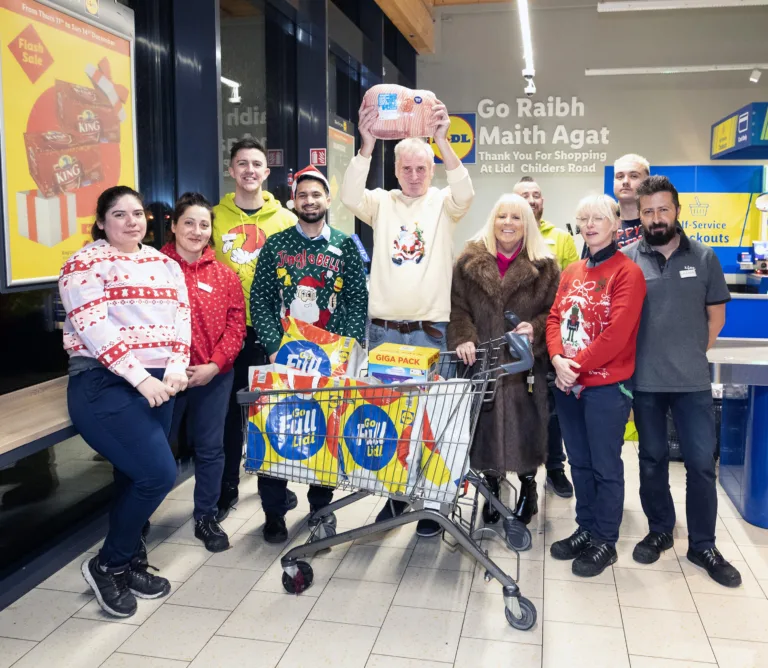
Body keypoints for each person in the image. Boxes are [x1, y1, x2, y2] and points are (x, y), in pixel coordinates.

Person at [341, 99, 474, 537]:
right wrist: (366, 147)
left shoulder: (442, 204)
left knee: (431, 421)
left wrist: (441, 141)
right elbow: (348, 196)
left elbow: (465, 193)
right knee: (394, 420)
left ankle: (430, 504)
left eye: (422, 168)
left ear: (430, 170)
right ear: (396, 171)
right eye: (407, 169)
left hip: (431, 333)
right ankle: (397, 500)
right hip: (384, 333)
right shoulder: (382, 202)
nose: (415, 176)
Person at [60, 186, 191, 617]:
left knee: (132, 477)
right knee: (157, 474)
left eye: (137, 213)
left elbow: (181, 319)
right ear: (101, 222)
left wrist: (175, 367)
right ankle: (108, 563)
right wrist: (139, 378)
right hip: (104, 382)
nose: (132, 221)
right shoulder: (84, 263)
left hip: (159, 382)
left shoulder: (165, 263)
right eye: (119, 214)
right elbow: (96, 329)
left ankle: (130, 559)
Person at [623, 176, 741, 587]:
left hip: (691, 383)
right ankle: (659, 530)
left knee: (700, 465)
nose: (656, 218)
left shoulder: (705, 257)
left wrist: (691, 353)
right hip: (645, 383)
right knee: (651, 459)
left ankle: (703, 544)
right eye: (648, 211)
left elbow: (717, 318)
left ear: (676, 210)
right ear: (639, 214)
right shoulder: (627, 259)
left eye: (663, 209)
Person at [251, 166, 368, 543]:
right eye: (302, 195)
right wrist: (274, 349)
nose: (309, 201)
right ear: (293, 200)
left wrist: (342, 350)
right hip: (285, 360)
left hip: (329, 362)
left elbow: (356, 300)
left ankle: (321, 509)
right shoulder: (277, 244)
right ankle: (273, 513)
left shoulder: (347, 245)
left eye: (316, 195)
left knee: (324, 432)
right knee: (275, 431)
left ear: (327, 200)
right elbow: (261, 300)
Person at [546, 194, 646, 577]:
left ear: (616, 224)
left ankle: (606, 539)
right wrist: (557, 360)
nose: (590, 225)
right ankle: (585, 528)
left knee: (605, 466)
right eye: (583, 218)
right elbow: (555, 318)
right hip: (567, 384)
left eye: (599, 218)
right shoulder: (571, 270)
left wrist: (575, 366)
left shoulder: (627, 273)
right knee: (580, 462)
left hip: (606, 387)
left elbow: (617, 334)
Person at [449, 193, 560, 528]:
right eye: (502, 216)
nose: (508, 223)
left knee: (528, 427)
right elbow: (457, 309)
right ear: (492, 220)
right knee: (483, 429)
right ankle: (492, 484)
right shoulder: (468, 262)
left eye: (516, 217)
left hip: (523, 365)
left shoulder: (546, 266)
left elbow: (553, 313)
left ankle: (528, 486)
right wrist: (464, 336)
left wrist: (536, 329)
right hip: (480, 362)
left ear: (527, 224)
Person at [212, 138, 297, 520]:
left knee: (272, 415)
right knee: (229, 416)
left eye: (256, 164)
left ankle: (275, 491)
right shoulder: (213, 218)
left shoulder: (286, 220)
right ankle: (227, 487)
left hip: (273, 333)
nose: (249, 170)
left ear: (267, 172)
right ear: (231, 170)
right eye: (241, 163)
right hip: (226, 334)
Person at [161, 193, 246, 553]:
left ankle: (206, 516)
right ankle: (137, 515)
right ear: (174, 226)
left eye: (204, 224)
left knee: (211, 449)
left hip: (213, 375)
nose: (197, 231)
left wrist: (214, 366)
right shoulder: (154, 268)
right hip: (162, 377)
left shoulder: (224, 274)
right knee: (155, 448)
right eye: (189, 223)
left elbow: (236, 325)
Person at [513, 176, 577, 499]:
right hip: (512, 339)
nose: (531, 200)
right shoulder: (507, 234)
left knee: (551, 409)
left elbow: (570, 288)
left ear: (543, 202)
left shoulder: (561, 238)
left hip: (549, 335)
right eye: (524, 195)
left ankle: (555, 469)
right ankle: (523, 478)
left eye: (536, 195)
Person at [580, 153, 649, 259]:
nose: (625, 181)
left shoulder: (656, 224)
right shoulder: (600, 224)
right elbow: (588, 268)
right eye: (620, 177)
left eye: (634, 176)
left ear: (647, 181)